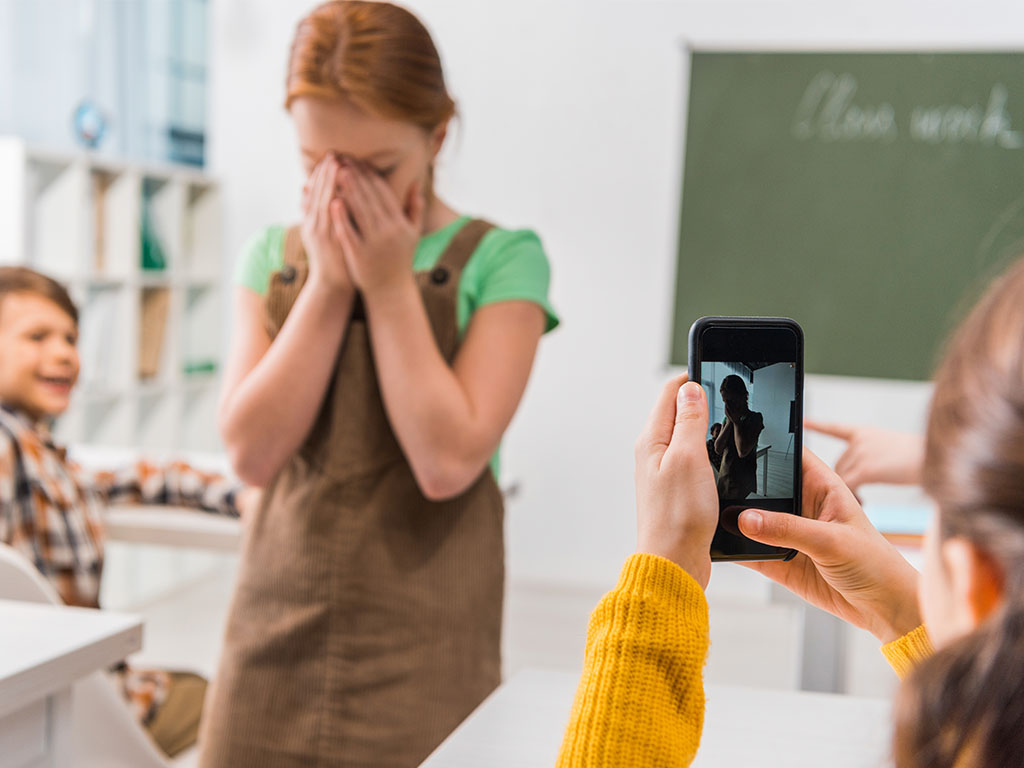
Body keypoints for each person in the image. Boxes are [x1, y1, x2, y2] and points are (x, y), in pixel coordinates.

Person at [200, 3, 558, 766]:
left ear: (435, 138)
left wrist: (389, 286)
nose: (342, 192)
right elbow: (251, 453)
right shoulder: (275, 255)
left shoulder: (503, 260)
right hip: (274, 629)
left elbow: (447, 461)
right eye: (316, 165)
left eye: (377, 168)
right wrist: (329, 286)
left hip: (427, 641)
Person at [556, 257, 1024, 768]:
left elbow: (738, 443)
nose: (730, 397)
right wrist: (898, 609)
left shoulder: (751, 417)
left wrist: (663, 570)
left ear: (973, 582)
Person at [0, 266, 251, 757]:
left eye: (71, 338)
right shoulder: (8, 447)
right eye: (37, 336)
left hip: (61, 697)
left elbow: (128, 476)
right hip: (72, 704)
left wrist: (236, 492)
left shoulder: (44, 456)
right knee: (234, 701)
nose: (64, 353)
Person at [714, 374, 764, 498]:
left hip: (743, 483)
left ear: (742, 396)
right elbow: (718, 449)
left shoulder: (755, 418)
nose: (728, 406)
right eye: (725, 402)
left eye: (731, 401)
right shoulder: (728, 420)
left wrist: (736, 422)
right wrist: (730, 422)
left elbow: (742, 451)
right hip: (724, 478)